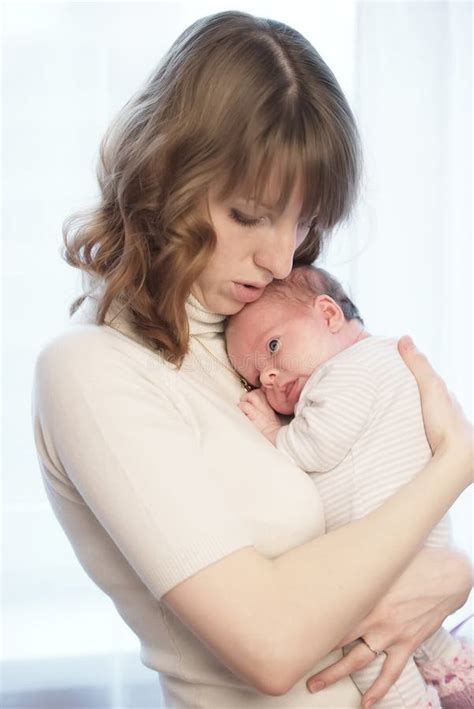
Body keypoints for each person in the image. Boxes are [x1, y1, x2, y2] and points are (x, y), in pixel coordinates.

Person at [31, 11, 473, 709]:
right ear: (166, 175)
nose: (279, 256)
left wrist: (451, 569)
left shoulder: (257, 334)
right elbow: (268, 644)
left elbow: (366, 501)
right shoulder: (91, 370)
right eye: (250, 214)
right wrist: (452, 468)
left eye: (301, 220)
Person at [225, 264, 474, 708]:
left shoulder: (351, 369)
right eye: (254, 377)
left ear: (328, 314)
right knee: (422, 635)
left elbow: (319, 446)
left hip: (380, 554)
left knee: (373, 662)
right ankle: (457, 677)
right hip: (415, 540)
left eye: (274, 346)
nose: (268, 377)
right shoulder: (386, 363)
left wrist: (272, 433)